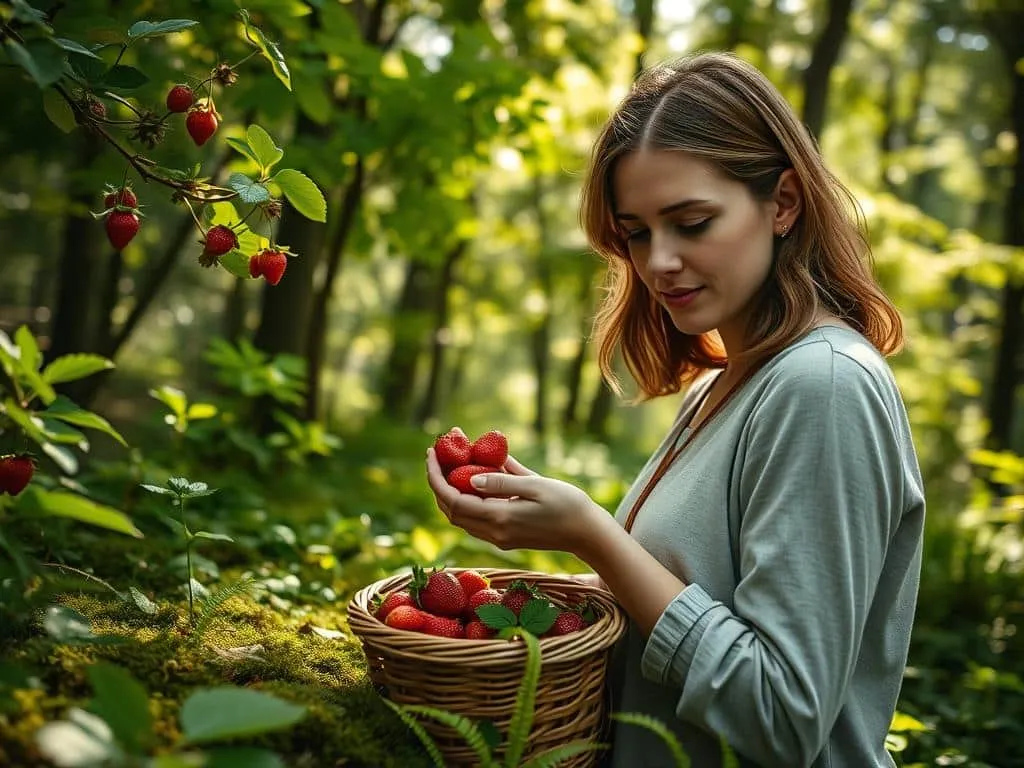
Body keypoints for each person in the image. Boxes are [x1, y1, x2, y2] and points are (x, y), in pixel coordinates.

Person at [424, 51, 925, 768]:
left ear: (783, 203)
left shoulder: (826, 386)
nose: (658, 261)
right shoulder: (722, 385)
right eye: (637, 232)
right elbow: (701, 603)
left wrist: (597, 535)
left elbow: (783, 717)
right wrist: (555, 550)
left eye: (691, 222)